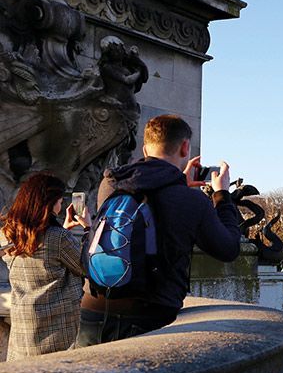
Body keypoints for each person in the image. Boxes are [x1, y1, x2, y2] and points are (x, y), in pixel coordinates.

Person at [77, 115, 240, 345]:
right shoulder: (191, 201)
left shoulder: (111, 184)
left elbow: (151, 198)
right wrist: (222, 195)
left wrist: (178, 182)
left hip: (93, 308)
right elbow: (228, 248)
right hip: (148, 316)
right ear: (185, 147)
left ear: (145, 149)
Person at [1, 173, 90, 360]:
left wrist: (62, 230)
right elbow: (85, 267)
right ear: (49, 204)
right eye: (59, 201)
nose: (61, 206)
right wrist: (88, 229)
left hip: (23, 326)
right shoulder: (58, 238)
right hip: (57, 329)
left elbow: (39, 250)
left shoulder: (7, 234)